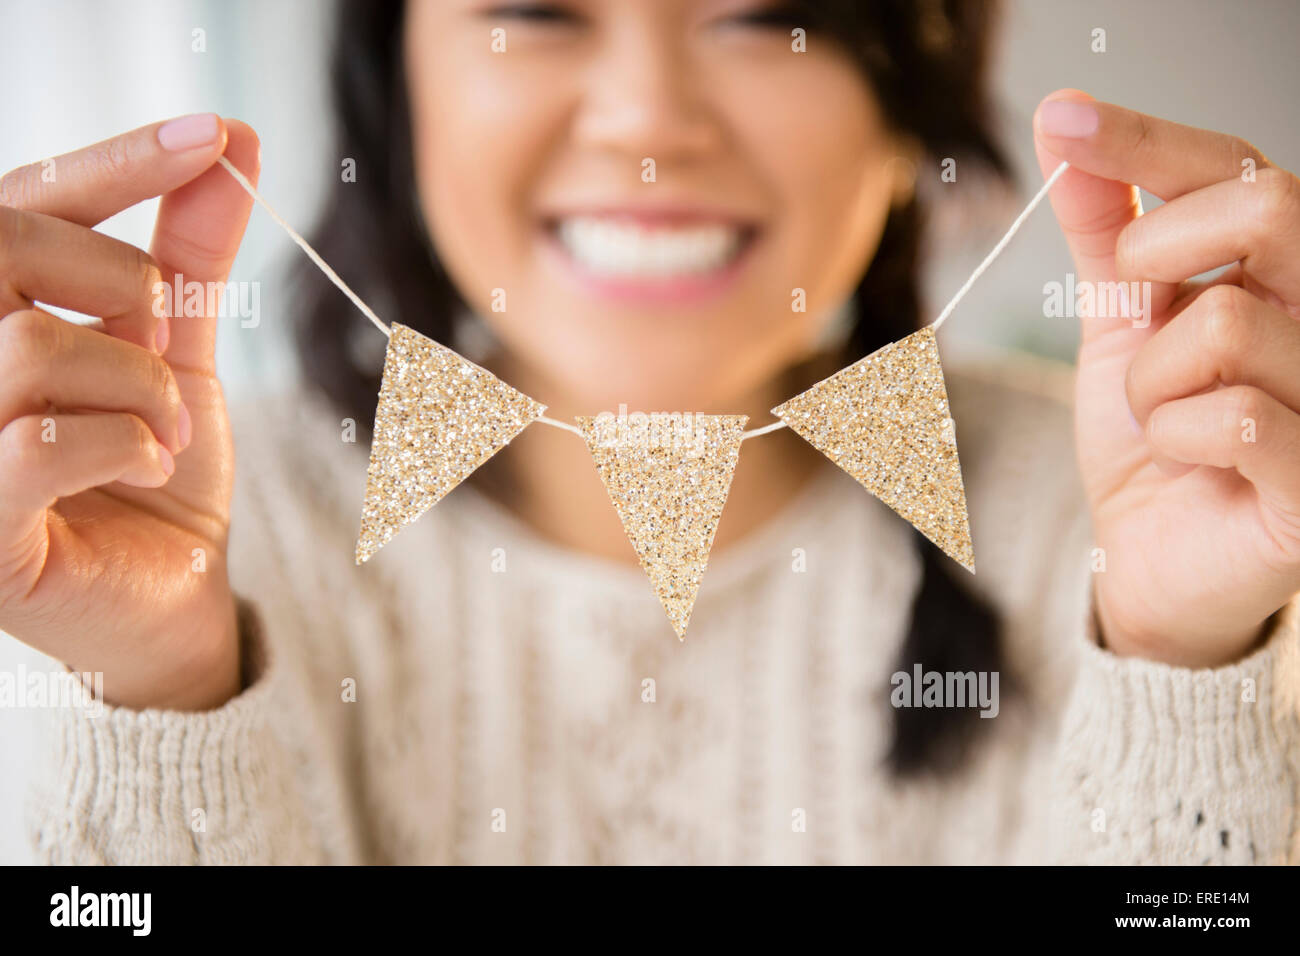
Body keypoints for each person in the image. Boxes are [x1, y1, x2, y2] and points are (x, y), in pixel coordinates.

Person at [4, 0, 1298, 864]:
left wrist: (1186, 670)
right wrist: (156, 696)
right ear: (394, 80)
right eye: (536, 7)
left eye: (767, 14)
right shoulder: (172, 523)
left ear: (916, 89)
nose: (645, 121)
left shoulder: (1148, 514)